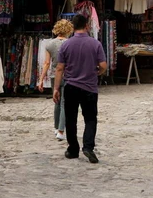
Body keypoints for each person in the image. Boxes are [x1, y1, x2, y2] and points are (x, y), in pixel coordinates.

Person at [54, 14, 107, 164]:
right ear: (87, 26)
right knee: (90, 119)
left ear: (73, 27)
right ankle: (88, 147)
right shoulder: (95, 44)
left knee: (71, 119)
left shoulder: (66, 45)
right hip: (90, 87)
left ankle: (73, 149)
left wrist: (56, 89)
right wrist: (96, 72)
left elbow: (59, 68)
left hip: (71, 86)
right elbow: (103, 66)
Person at [37, 19, 74, 141]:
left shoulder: (50, 44)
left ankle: (56, 127)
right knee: (65, 103)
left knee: (56, 102)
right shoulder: (70, 44)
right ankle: (61, 131)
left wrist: (41, 79)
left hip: (54, 75)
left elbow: (47, 63)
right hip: (68, 75)